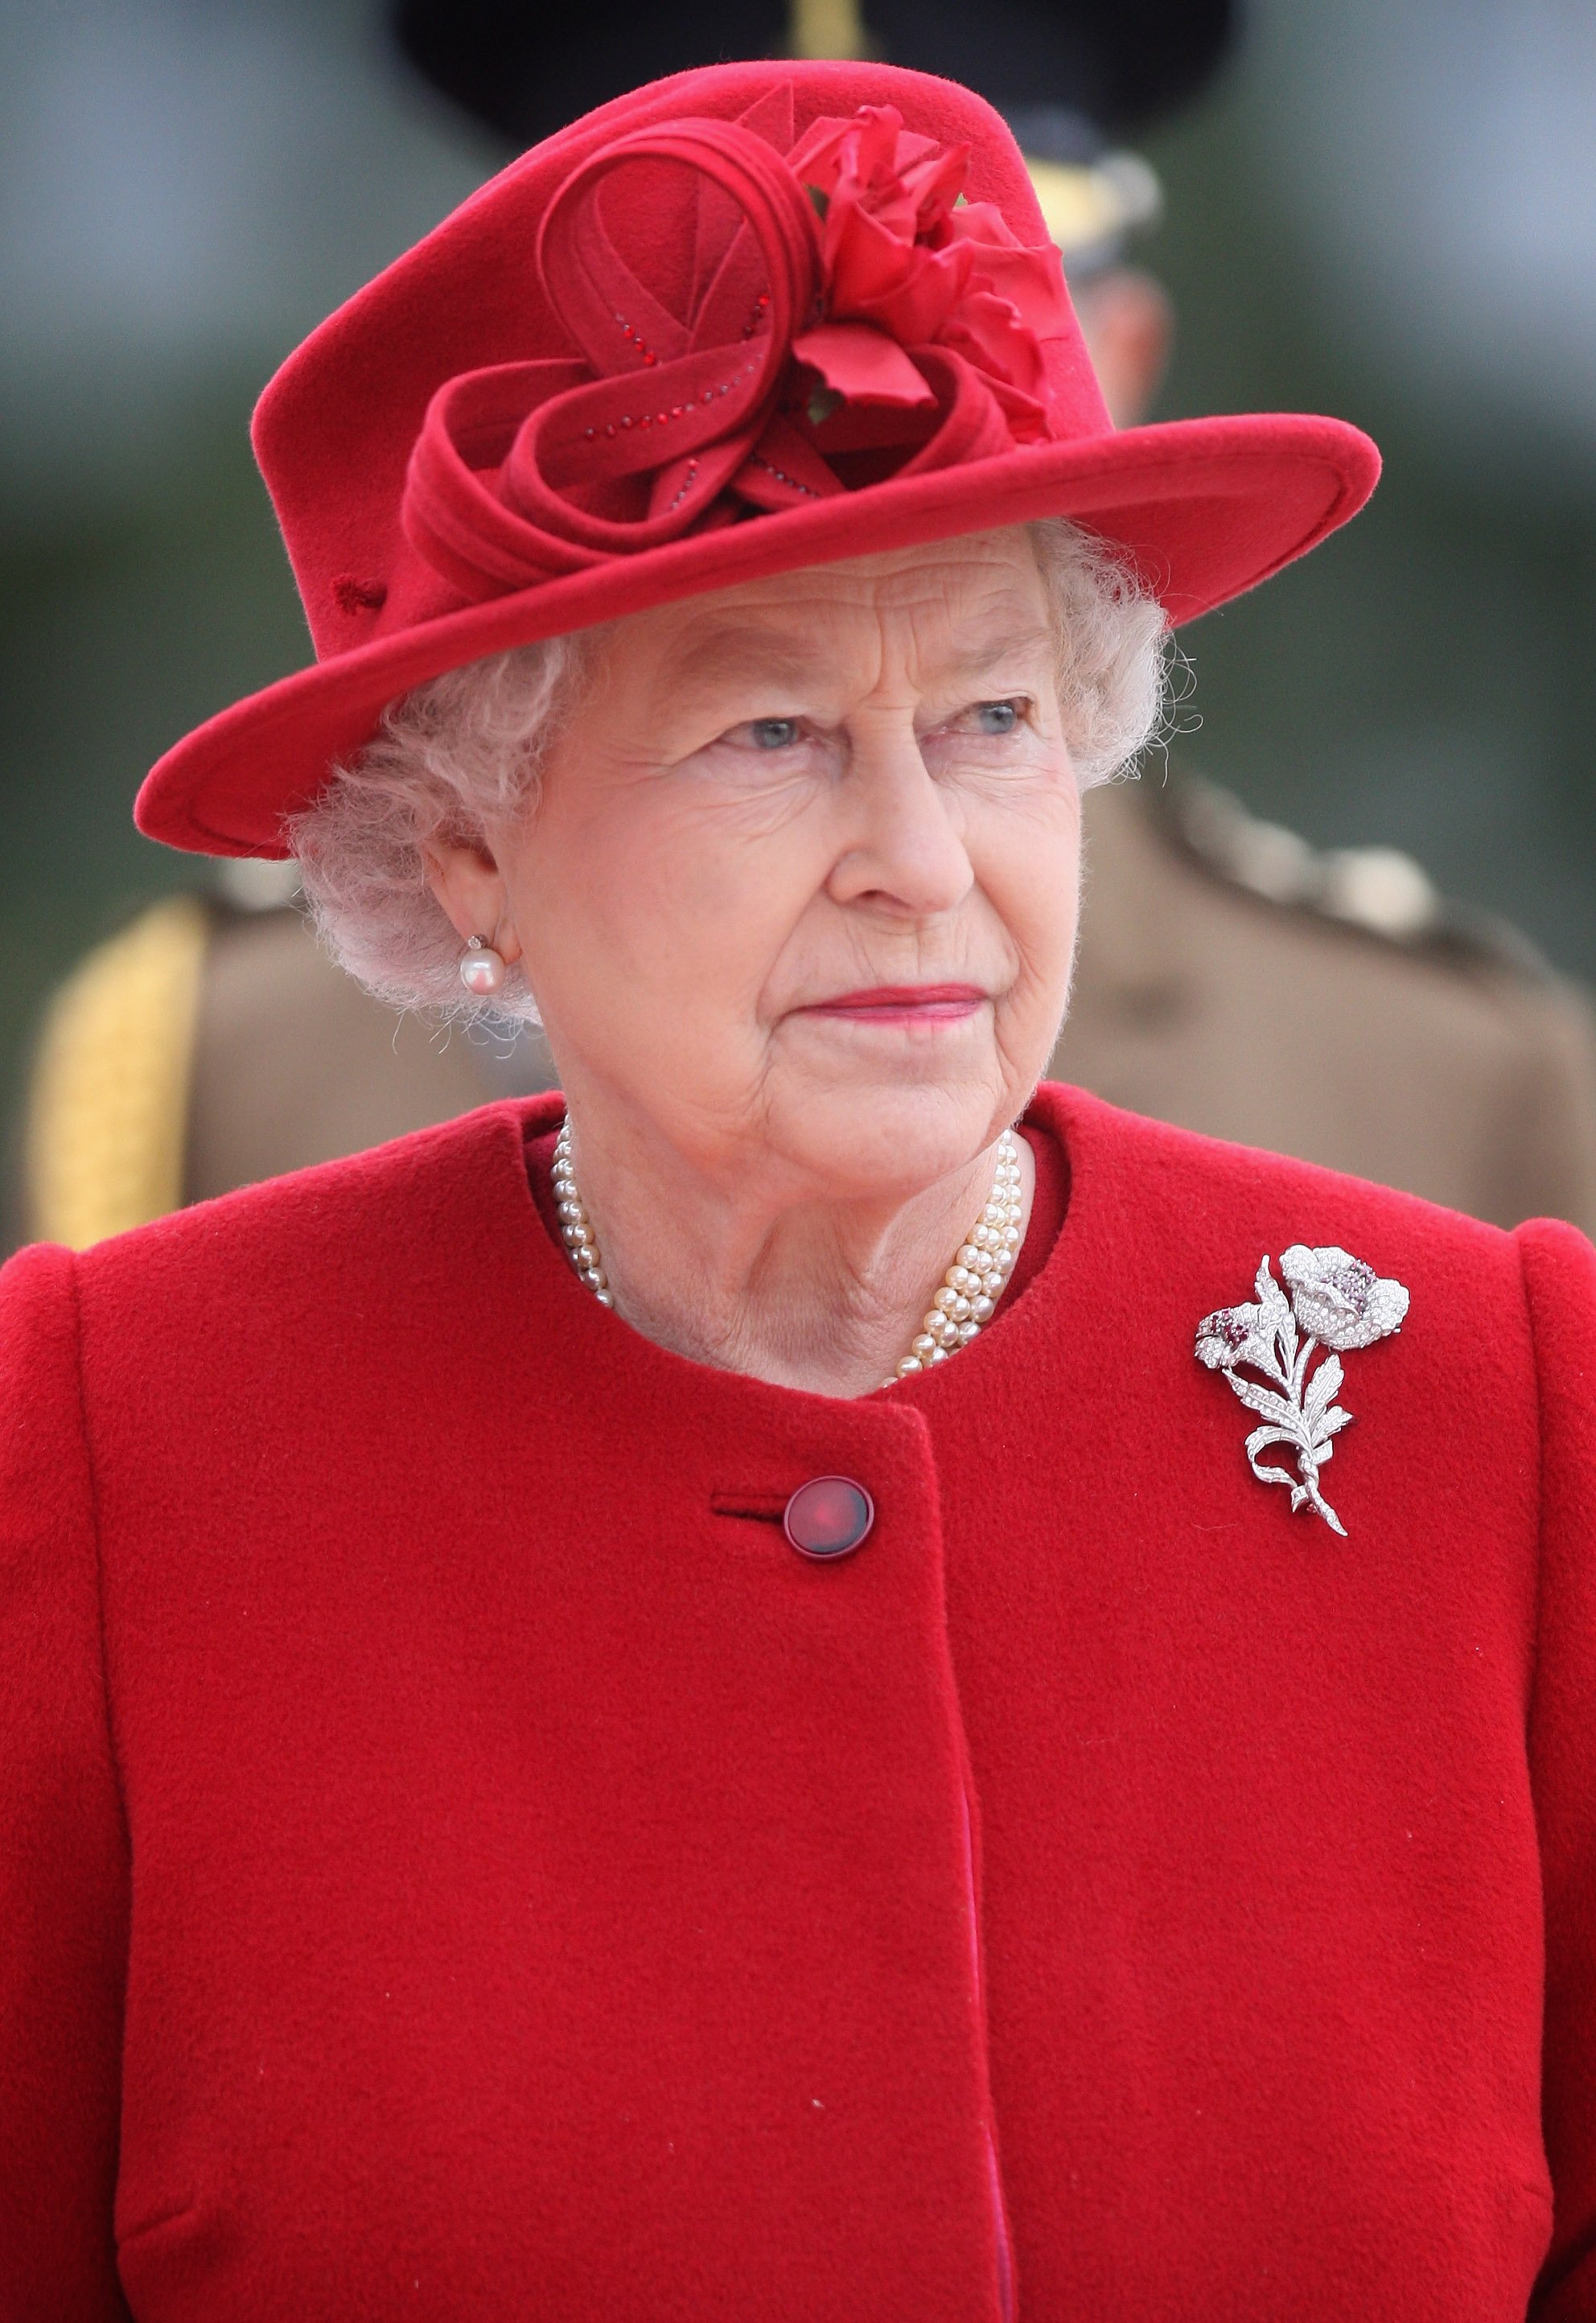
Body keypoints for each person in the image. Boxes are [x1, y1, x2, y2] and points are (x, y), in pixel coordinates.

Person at [3, 59, 1592, 2320]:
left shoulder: (1505, 1412)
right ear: (471, 852)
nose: (922, 865)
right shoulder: (100, 1453)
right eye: (768, 735)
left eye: (994, 718)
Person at [19, 0, 1596, 1252]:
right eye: (677, 357)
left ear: (1113, 356)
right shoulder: (220, 1064)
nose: (842, 421)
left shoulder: (1445, 1073)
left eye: (950, 328)